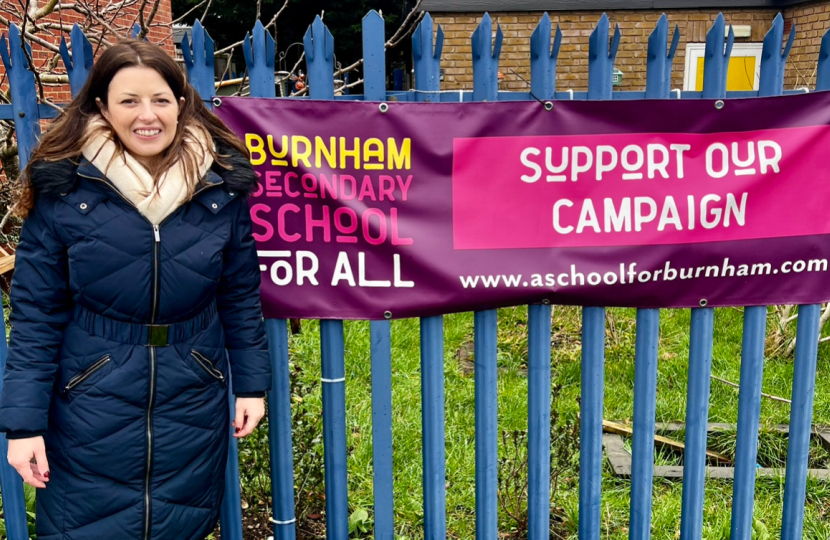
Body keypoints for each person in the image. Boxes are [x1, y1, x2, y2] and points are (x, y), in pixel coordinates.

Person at [0, 39, 271, 540]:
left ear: (182, 104)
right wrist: (23, 425)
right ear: (101, 106)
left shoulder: (220, 187)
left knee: (180, 524)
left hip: (192, 391)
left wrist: (251, 386)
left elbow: (238, 293)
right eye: (129, 100)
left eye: (161, 99)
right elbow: (36, 315)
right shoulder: (64, 188)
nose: (147, 115)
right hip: (88, 399)